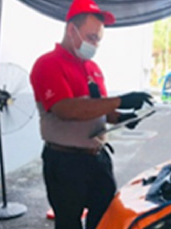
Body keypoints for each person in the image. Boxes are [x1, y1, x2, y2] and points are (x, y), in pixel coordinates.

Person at [30, 0, 153, 228]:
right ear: (71, 30)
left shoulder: (92, 68)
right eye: (91, 37)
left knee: (105, 218)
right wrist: (120, 100)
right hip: (65, 161)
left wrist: (121, 116)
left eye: (98, 39)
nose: (95, 45)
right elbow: (67, 110)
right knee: (69, 222)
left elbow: (98, 109)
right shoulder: (48, 65)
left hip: (97, 158)